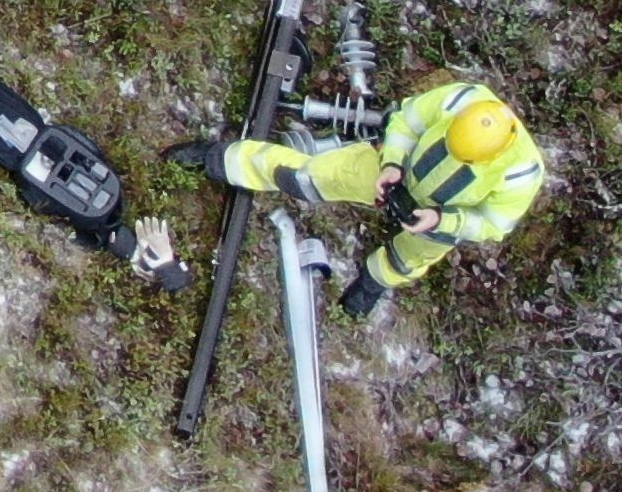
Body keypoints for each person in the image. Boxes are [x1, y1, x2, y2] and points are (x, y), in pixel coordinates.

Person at [173, 82, 547, 320]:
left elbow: (492, 224)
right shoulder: (461, 99)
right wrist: (392, 163)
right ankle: (219, 158)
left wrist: (441, 221)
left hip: (440, 217)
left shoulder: (521, 174)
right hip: (393, 171)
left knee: (406, 260)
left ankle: (371, 283)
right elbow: (407, 122)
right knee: (309, 177)